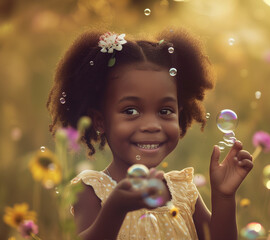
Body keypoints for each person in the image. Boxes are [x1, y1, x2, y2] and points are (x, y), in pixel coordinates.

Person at [46, 27, 254, 240]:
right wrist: (115, 210)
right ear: (100, 120)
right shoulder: (92, 190)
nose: (152, 125)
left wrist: (223, 197)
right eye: (131, 111)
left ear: (179, 115)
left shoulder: (183, 192)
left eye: (165, 111)